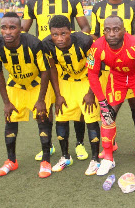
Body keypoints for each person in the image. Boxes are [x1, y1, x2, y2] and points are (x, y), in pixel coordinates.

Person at [22, 0, 91, 162]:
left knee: (75, 102)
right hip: (46, 61)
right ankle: (50, 144)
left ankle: (79, 143)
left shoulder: (72, 1)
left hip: (68, 60)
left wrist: (73, 42)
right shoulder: (32, 3)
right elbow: (24, 30)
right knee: (48, 103)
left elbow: (85, 27)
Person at [87, 16, 135, 177]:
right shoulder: (96, 47)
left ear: (124, 31)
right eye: (108, 30)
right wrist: (102, 101)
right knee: (106, 116)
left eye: (116, 29)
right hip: (117, 78)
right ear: (103, 32)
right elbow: (92, 74)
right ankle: (108, 158)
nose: (112, 33)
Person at [91, 0, 135, 160]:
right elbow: (94, 35)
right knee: (108, 108)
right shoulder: (98, 8)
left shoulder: (132, 7)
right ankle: (111, 143)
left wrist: (120, 43)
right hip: (108, 67)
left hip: (130, 67)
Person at [0, 12, 52, 178]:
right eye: (4, 27)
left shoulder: (33, 43)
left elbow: (45, 71)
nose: (7, 31)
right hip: (15, 85)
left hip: (36, 84)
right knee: (10, 120)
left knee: (42, 118)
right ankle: (11, 160)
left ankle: (46, 161)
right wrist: (6, 102)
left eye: (12, 27)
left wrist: (40, 100)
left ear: (20, 29)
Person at [42, 15, 101, 175]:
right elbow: (52, 68)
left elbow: (96, 67)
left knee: (90, 118)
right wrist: (58, 94)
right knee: (61, 117)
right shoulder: (47, 44)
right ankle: (65, 157)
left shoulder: (84, 41)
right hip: (65, 82)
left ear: (70, 31)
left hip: (86, 81)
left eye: (63, 34)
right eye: (55, 34)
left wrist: (91, 92)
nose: (59, 38)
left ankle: (96, 159)